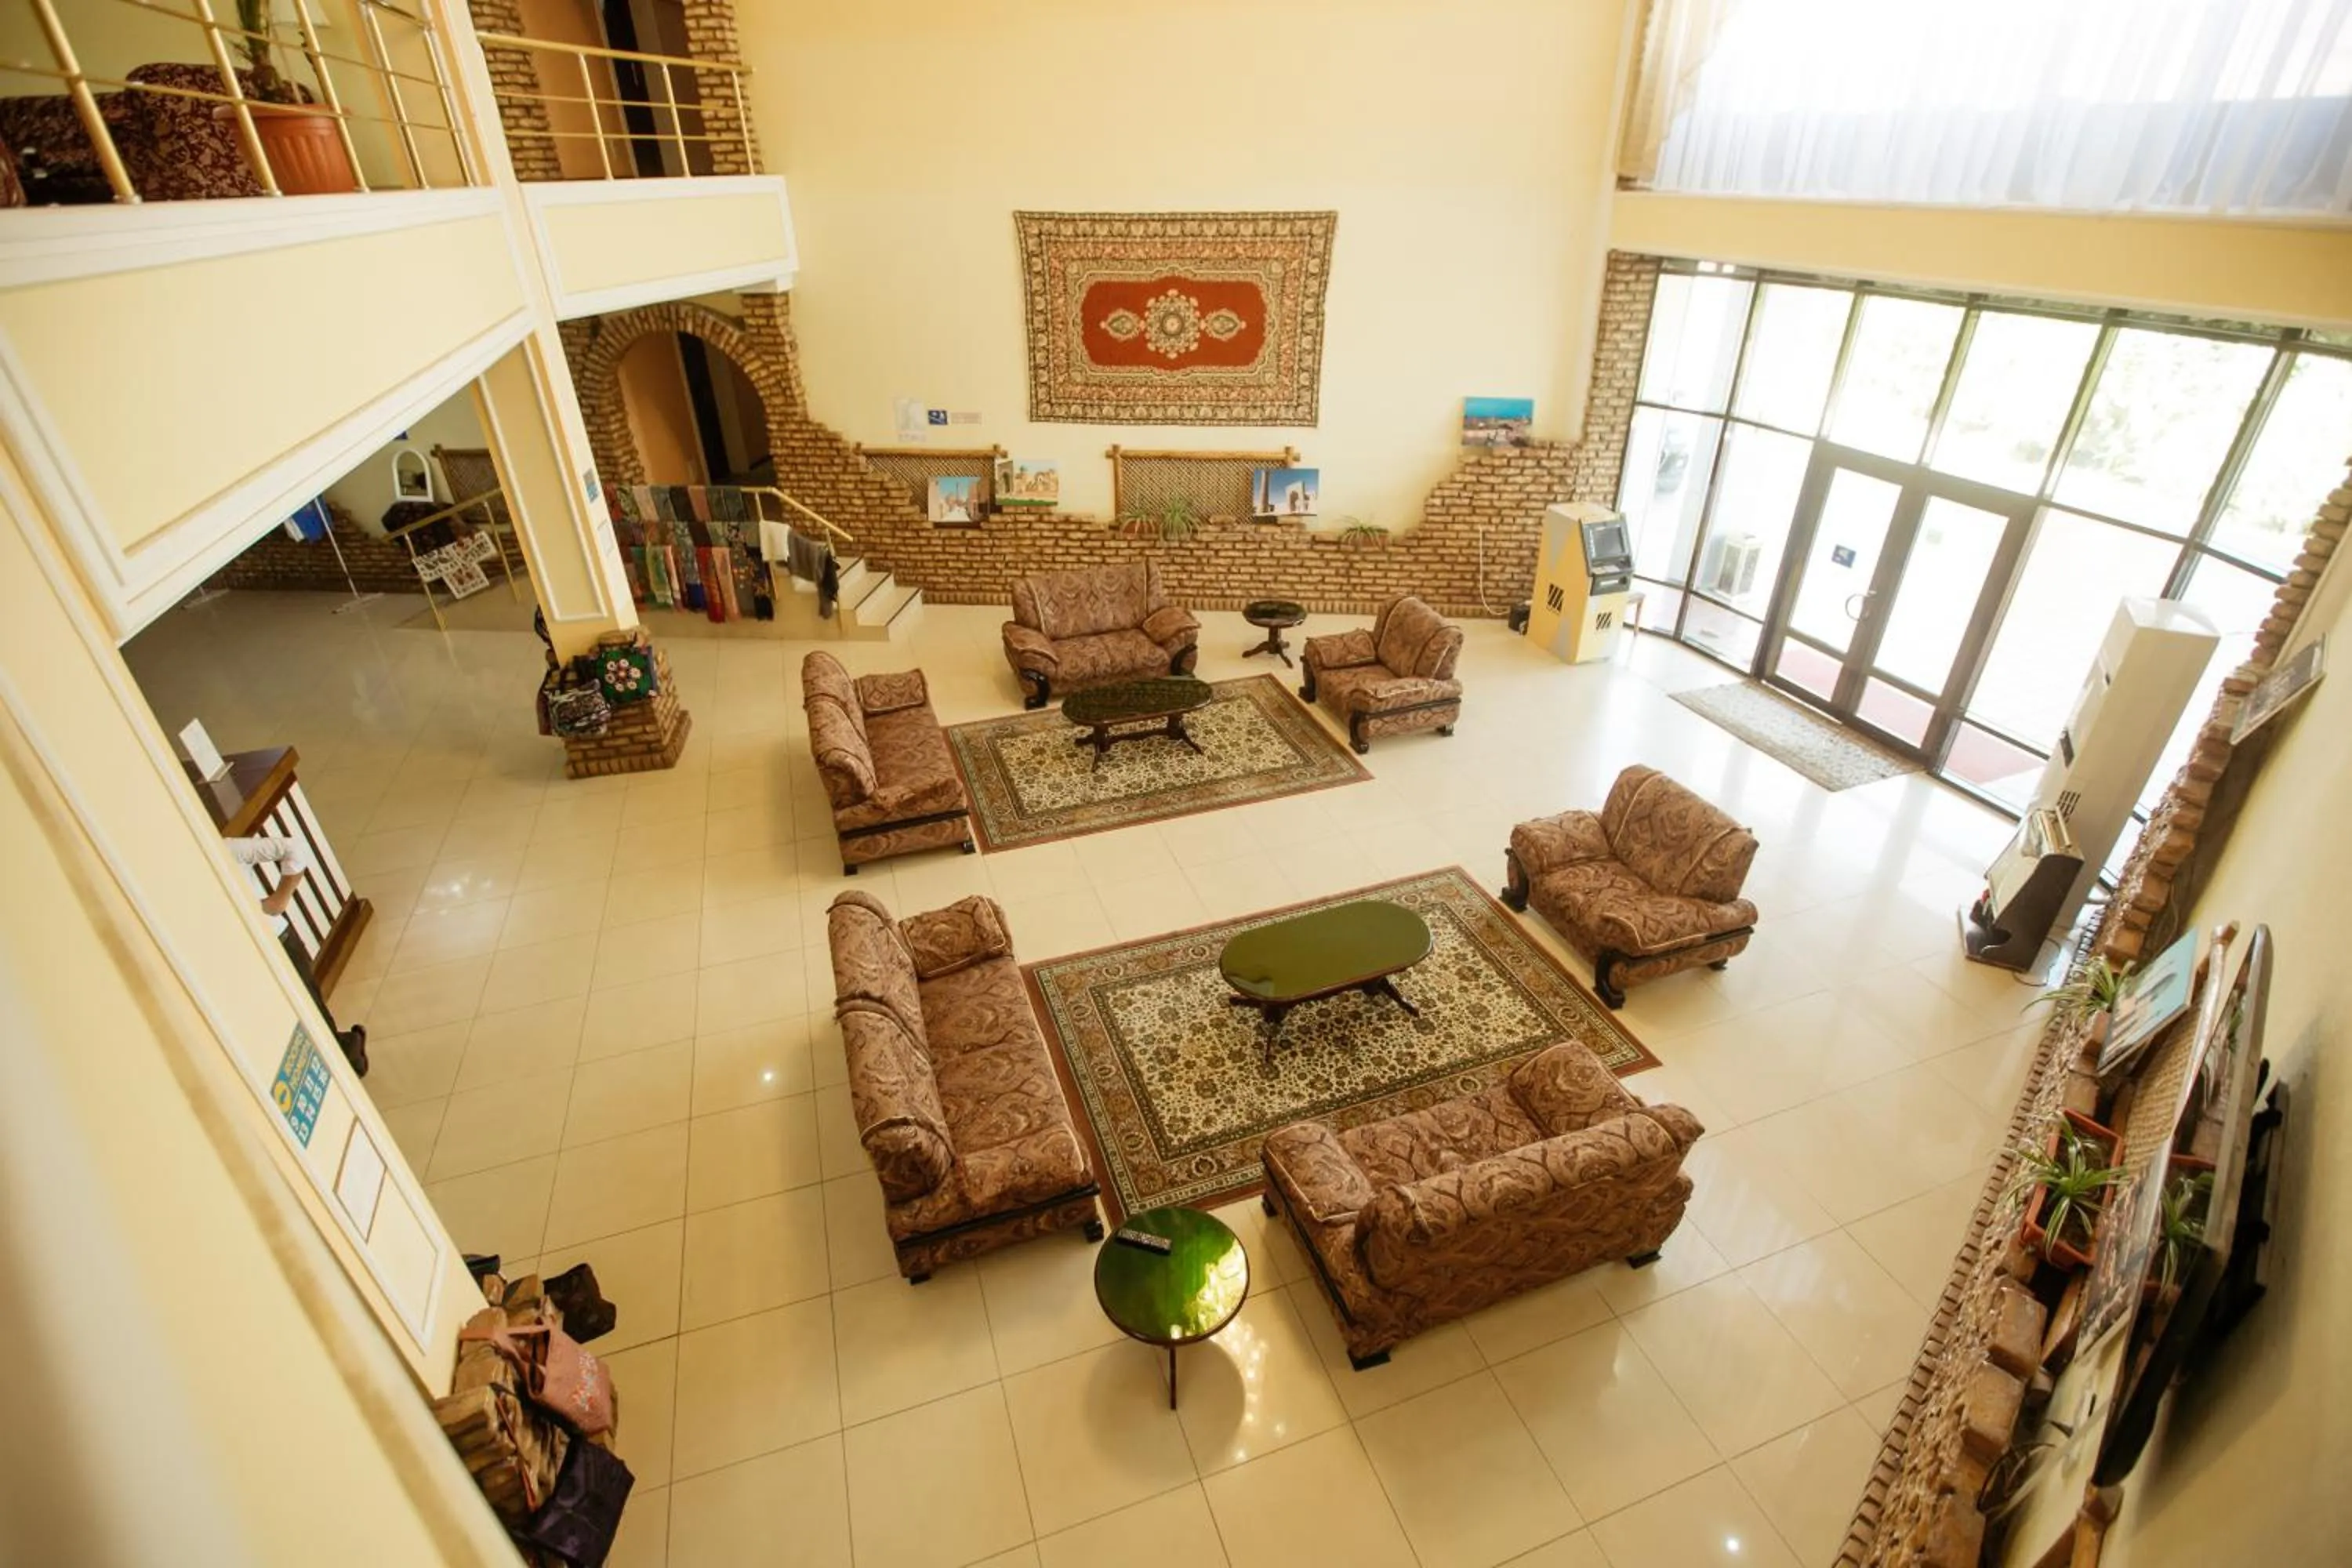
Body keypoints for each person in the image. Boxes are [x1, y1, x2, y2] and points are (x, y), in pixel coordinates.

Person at [226, 834, 368, 1076]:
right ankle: (344, 1052)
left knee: (310, 1006)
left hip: (276, 940)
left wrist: (279, 900)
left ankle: (348, 1056)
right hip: (240, 954)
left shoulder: (224, 848)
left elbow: (294, 846)